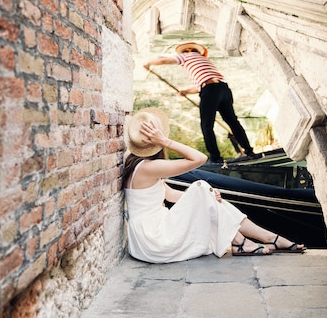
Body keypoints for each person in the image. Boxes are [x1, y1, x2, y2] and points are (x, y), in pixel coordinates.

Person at [123, 107, 305, 264]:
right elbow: (200, 159)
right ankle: (243, 242)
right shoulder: (147, 167)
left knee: (204, 192)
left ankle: (269, 238)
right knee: (201, 186)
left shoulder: (140, 166)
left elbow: (169, 194)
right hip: (154, 239)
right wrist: (166, 142)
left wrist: (206, 199)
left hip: (150, 235)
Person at [143, 41, 260, 164]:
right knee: (233, 121)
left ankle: (216, 158)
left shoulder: (187, 56)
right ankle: (250, 152)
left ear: (188, 50)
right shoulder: (204, 61)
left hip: (210, 90)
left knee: (206, 126)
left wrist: (149, 63)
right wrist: (186, 91)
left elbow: (164, 61)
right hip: (223, 89)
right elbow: (203, 84)